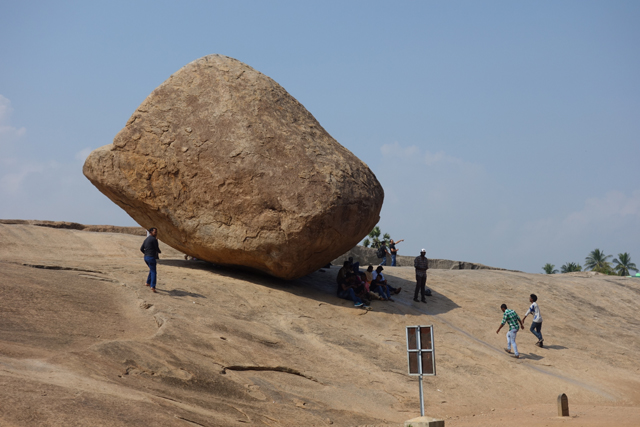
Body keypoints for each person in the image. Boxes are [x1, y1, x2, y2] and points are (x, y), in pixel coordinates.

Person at [140, 227, 161, 293]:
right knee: (154, 272)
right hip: (151, 258)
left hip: (146, 257)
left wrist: (146, 253)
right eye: (155, 232)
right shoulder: (154, 239)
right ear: (151, 232)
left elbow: (141, 249)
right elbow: (157, 248)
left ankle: (147, 282)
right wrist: (159, 251)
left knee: (151, 269)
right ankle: (153, 286)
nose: (156, 233)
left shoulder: (146, 239)